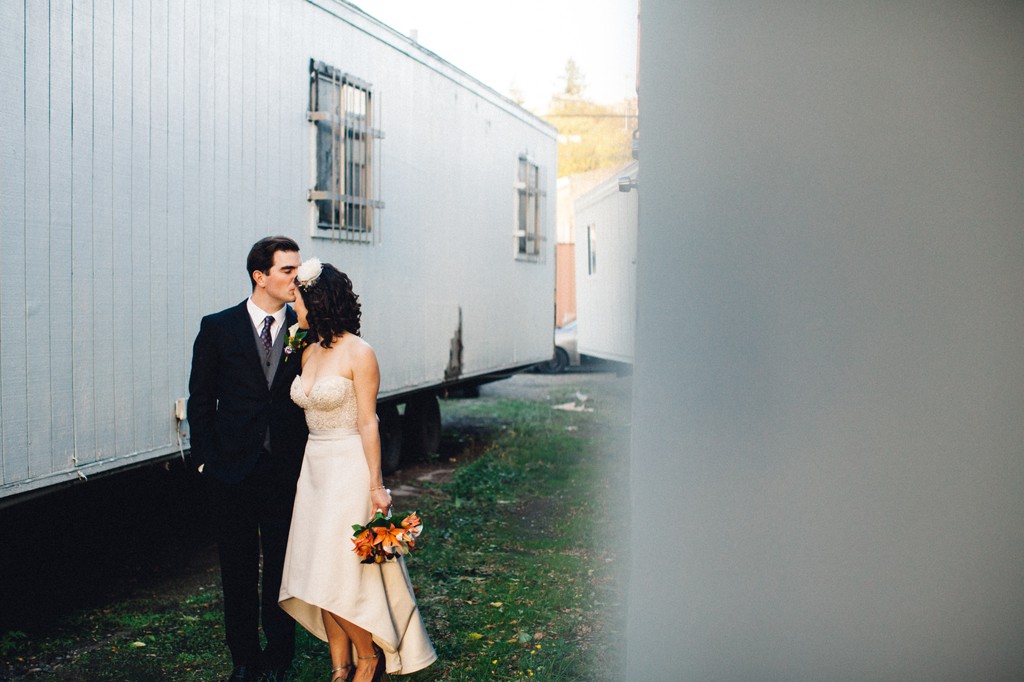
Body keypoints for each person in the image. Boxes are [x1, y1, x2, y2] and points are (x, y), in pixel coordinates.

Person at [279, 259, 436, 682]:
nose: (291, 304)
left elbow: (369, 421)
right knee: (314, 571)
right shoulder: (306, 349)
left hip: (348, 466)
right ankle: (339, 665)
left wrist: (377, 485)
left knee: (340, 573)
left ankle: (368, 660)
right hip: (314, 468)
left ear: (317, 299)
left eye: (296, 297)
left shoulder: (360, 352)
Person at [188, 236, 310, 682]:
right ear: (260, 276)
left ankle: (279, 656)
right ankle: (243, 657)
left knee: (282, 567)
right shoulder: (218, 327)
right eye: (287, 270)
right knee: (236, 569)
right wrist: (205, 461)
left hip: (286, 471)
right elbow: (200, 399)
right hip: (230, 471)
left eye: (298, 268)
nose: (297, 277)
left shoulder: (305, 330)